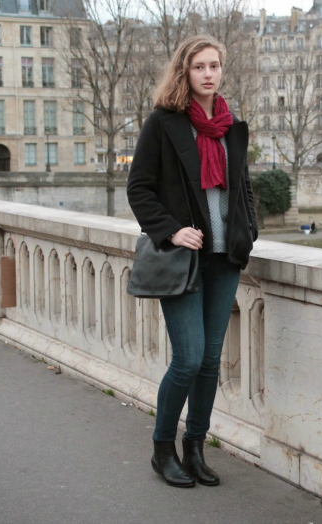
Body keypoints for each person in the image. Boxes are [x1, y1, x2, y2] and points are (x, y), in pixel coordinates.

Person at [126, 35, 257, 489]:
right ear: (185, 72)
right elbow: (138, 188)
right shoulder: (164, 124)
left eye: (214, 65)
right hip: (184, 259)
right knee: (189, 357)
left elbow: (242, 188)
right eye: (199, 66)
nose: (208, 73)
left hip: (225, 259)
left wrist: (248, 232)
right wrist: (171, 230)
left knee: (211, 360)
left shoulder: (232, 125)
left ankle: (195, 448)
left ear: (222, 70)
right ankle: (163, 449)